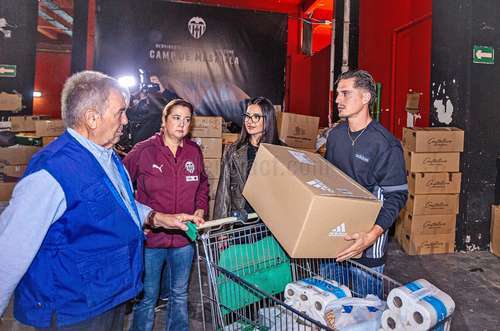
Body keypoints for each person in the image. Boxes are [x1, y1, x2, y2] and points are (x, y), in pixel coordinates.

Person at [0, 71, 203, 330]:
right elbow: (10, 250)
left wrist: (159, 218)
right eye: (120, 112)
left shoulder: (106, 157)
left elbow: (118, 206)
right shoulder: (52, 171)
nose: (126, 120)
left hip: (109, 297)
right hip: (74, 311)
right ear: (92, 118)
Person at [123, 99, 209, 331]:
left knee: (179, 294)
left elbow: (202, 184)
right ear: (164, 120)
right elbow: (119, 187)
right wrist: (138, 220)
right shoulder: (143, 150)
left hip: (183, 240)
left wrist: (201, 208)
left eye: (187, 119)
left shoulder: (193, 151)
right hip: (152, 240)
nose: (182, 124)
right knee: (147, 298)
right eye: (176, 118)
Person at [322, 69, 408, 295]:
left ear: (366, 97)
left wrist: (369, 237)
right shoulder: (335, 136)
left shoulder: (385, 144)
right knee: (331, 304)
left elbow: (396, 196)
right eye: (337, 94)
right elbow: (327, 180)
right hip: (334, 237)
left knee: (365, 309)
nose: (338, 100)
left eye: (345, 93)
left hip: (368, 244)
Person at [213, 96, 279, 220]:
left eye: (256, 117)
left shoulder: (280, 150)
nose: (249, 121)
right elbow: (223, 192)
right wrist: (220, 228)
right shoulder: (233, 151)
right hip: (242, 224)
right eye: (247, 116)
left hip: (270, 225)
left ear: (268, 119)